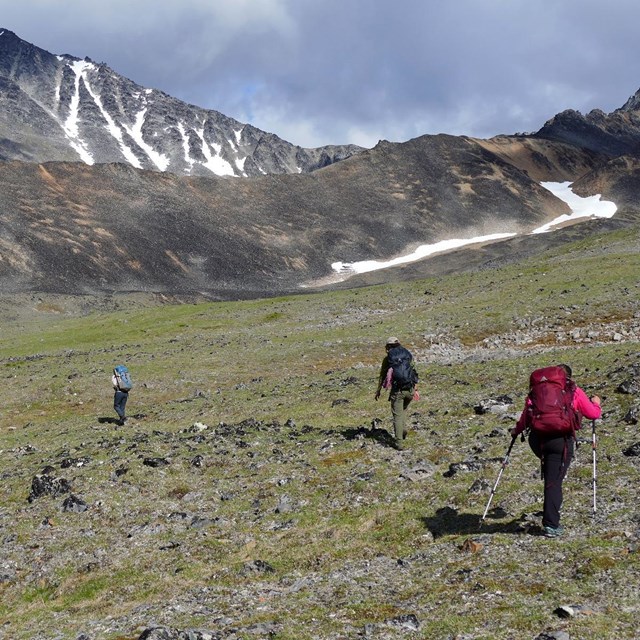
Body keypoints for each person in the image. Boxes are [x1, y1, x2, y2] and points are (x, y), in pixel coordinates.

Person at [511, 364, 601, 538]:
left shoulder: (538, 390)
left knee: (552, 474)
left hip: (537, 440)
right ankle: (551, 525)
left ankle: (550, 514)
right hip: (560, 441)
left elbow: (526, 416)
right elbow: (593, 414)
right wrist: (596, 404)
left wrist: (516, 430)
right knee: (554, 481)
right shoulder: (572, 390)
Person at [374, 337, 419, 450]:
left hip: (397, 391)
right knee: (403, 410)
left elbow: (382, 376)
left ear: (388, 347)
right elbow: (414, 371)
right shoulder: (407, 355)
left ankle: (399, 443)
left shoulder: (388, 359)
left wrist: (378, 390)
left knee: (397, 416)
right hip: (410, 390)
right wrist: (415, 389)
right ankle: (402, 430)